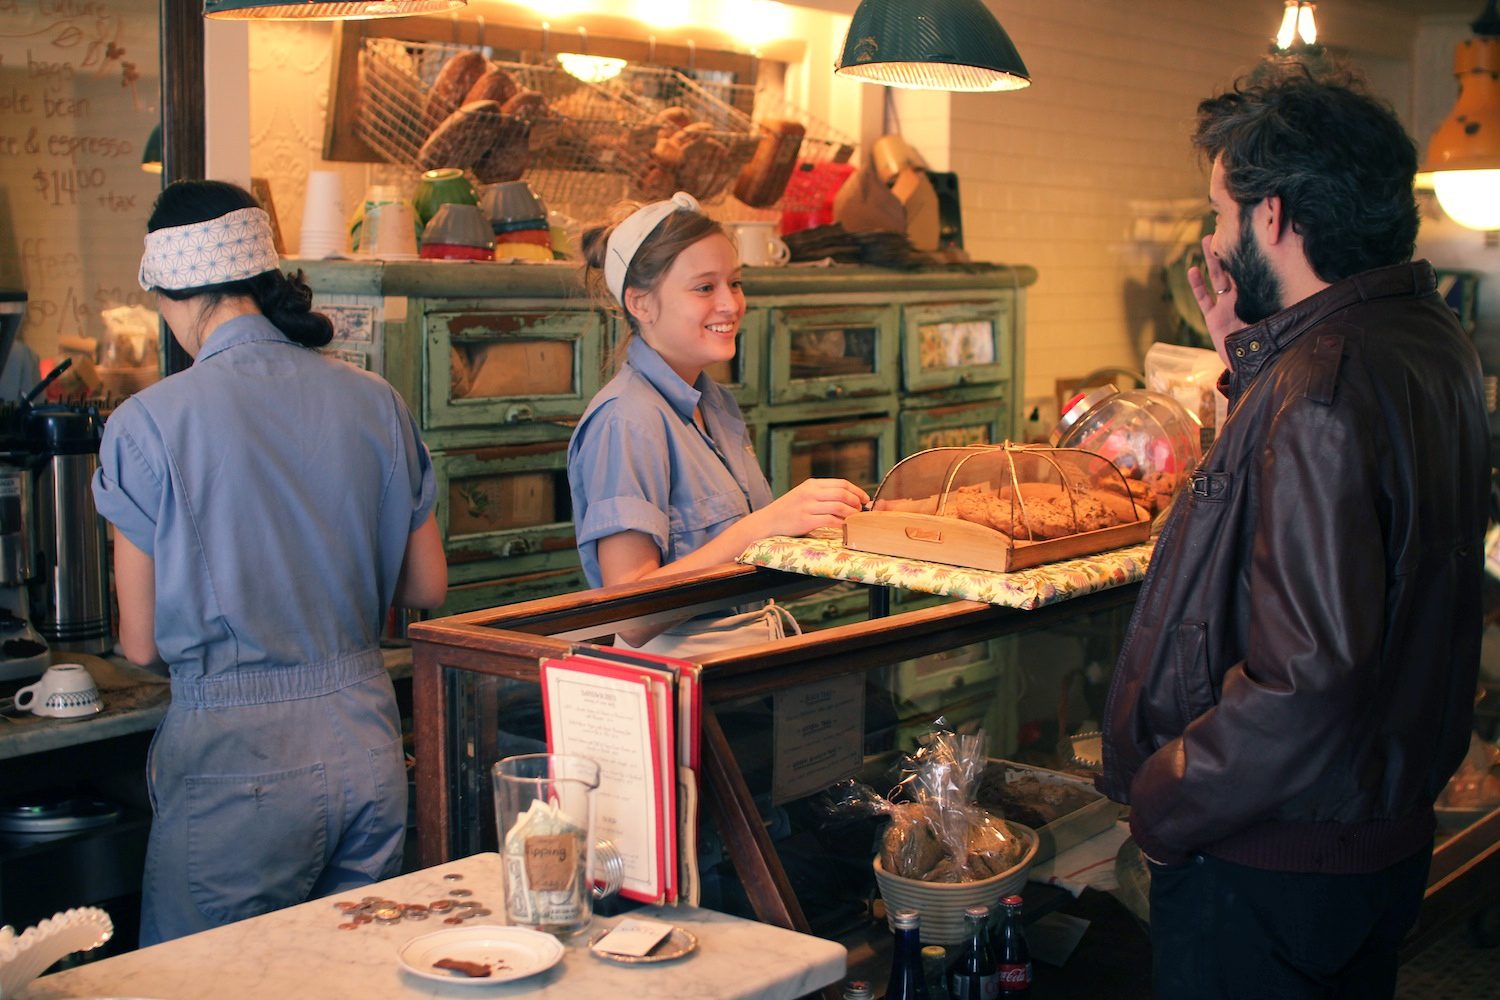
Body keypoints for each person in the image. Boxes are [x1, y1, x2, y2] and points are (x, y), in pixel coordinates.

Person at [1097, 65, 1490, 998]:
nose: (1215, 240)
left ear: (1272, 216)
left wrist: (1162, 803)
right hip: (1371, 841)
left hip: (1273, 868)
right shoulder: (1429, 341)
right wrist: (1249, 353)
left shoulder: (1321, 384)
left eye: (1221, 213)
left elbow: (1305, 679)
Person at [92, 180, 448, 946]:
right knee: (350, 982)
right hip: (367, 744)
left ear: (175, 293)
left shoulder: (146, 423)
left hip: (238, 765)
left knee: (206, 989)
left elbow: (141, 642)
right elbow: (428, 586)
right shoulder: (376, 399)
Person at [568, 192, 868, 654]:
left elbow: (751, 567)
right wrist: (765, 525)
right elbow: (630, 614)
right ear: (641, 303)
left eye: (736, 283)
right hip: (676, 685)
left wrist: (858, 531)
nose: (730, 304)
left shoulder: (717, 405)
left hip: (744, 664)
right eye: (705, 288)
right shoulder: (627, 421)